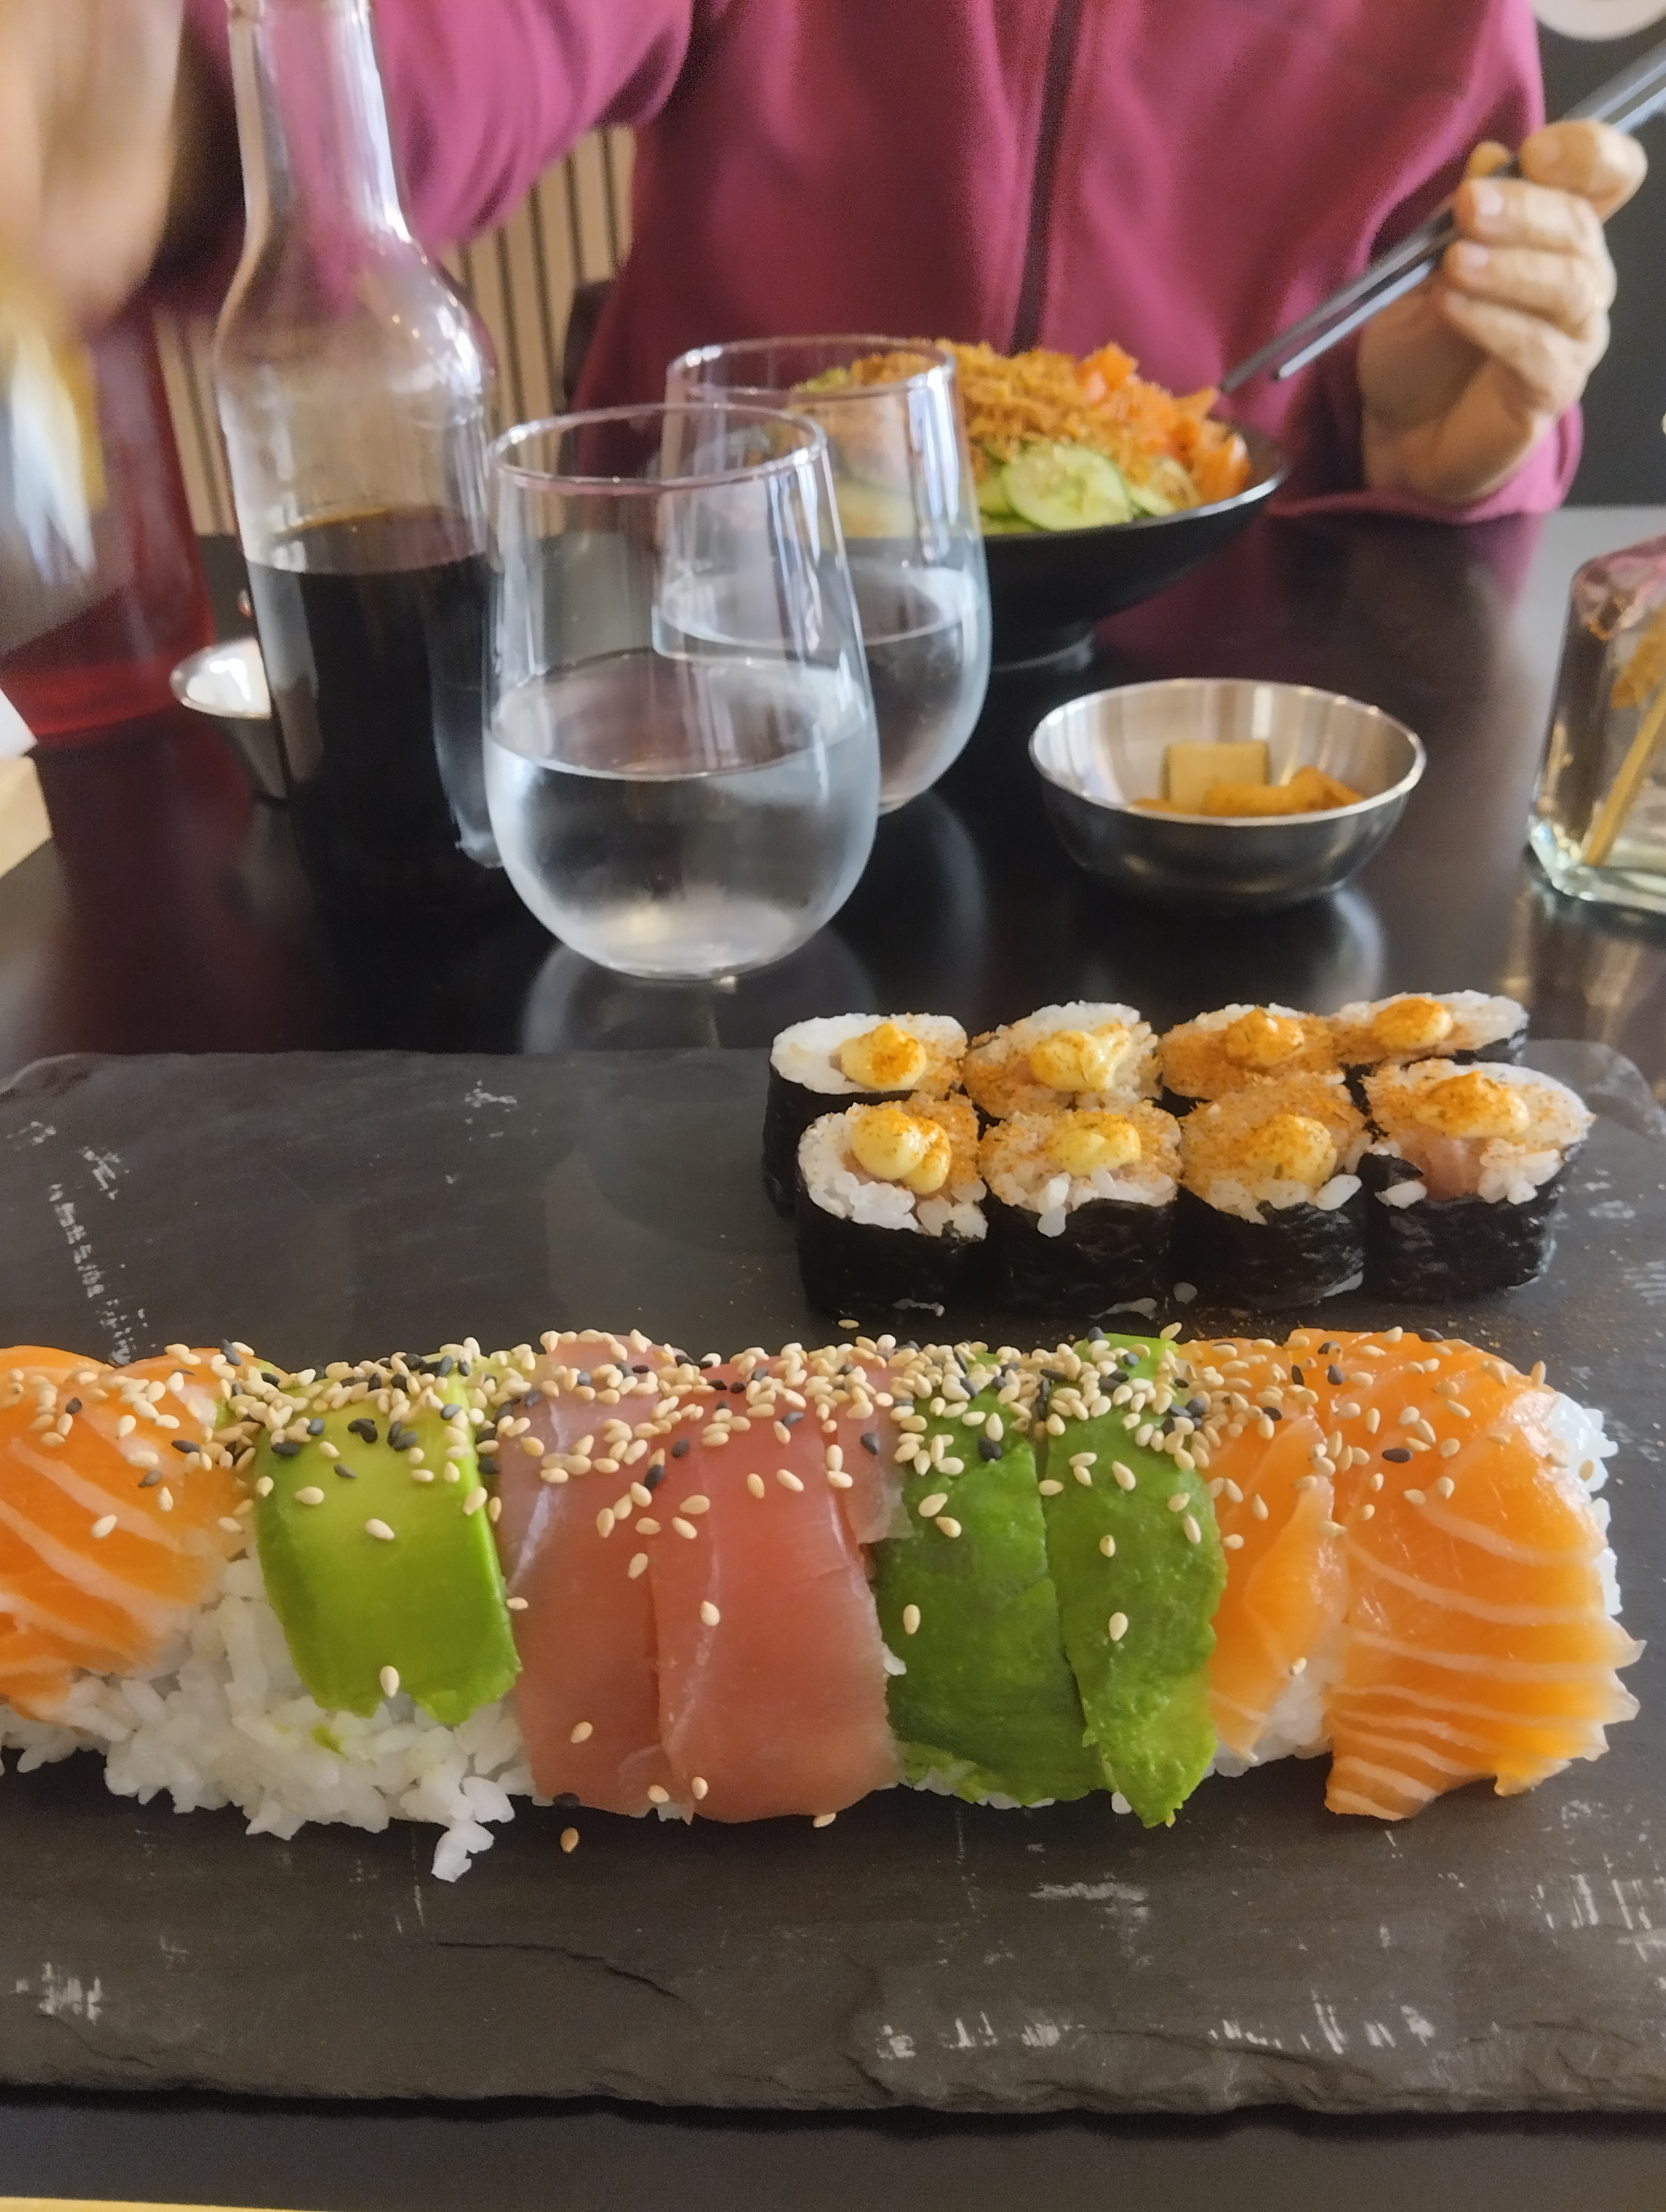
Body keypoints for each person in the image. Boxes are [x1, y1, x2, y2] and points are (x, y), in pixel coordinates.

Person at [0, 0, 1648, 515]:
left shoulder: (1450, 20)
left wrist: (1443, 458)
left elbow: (1455, 411)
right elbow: (477, 37)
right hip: (706, 687)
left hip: (1194, 762)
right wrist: (213, 113)